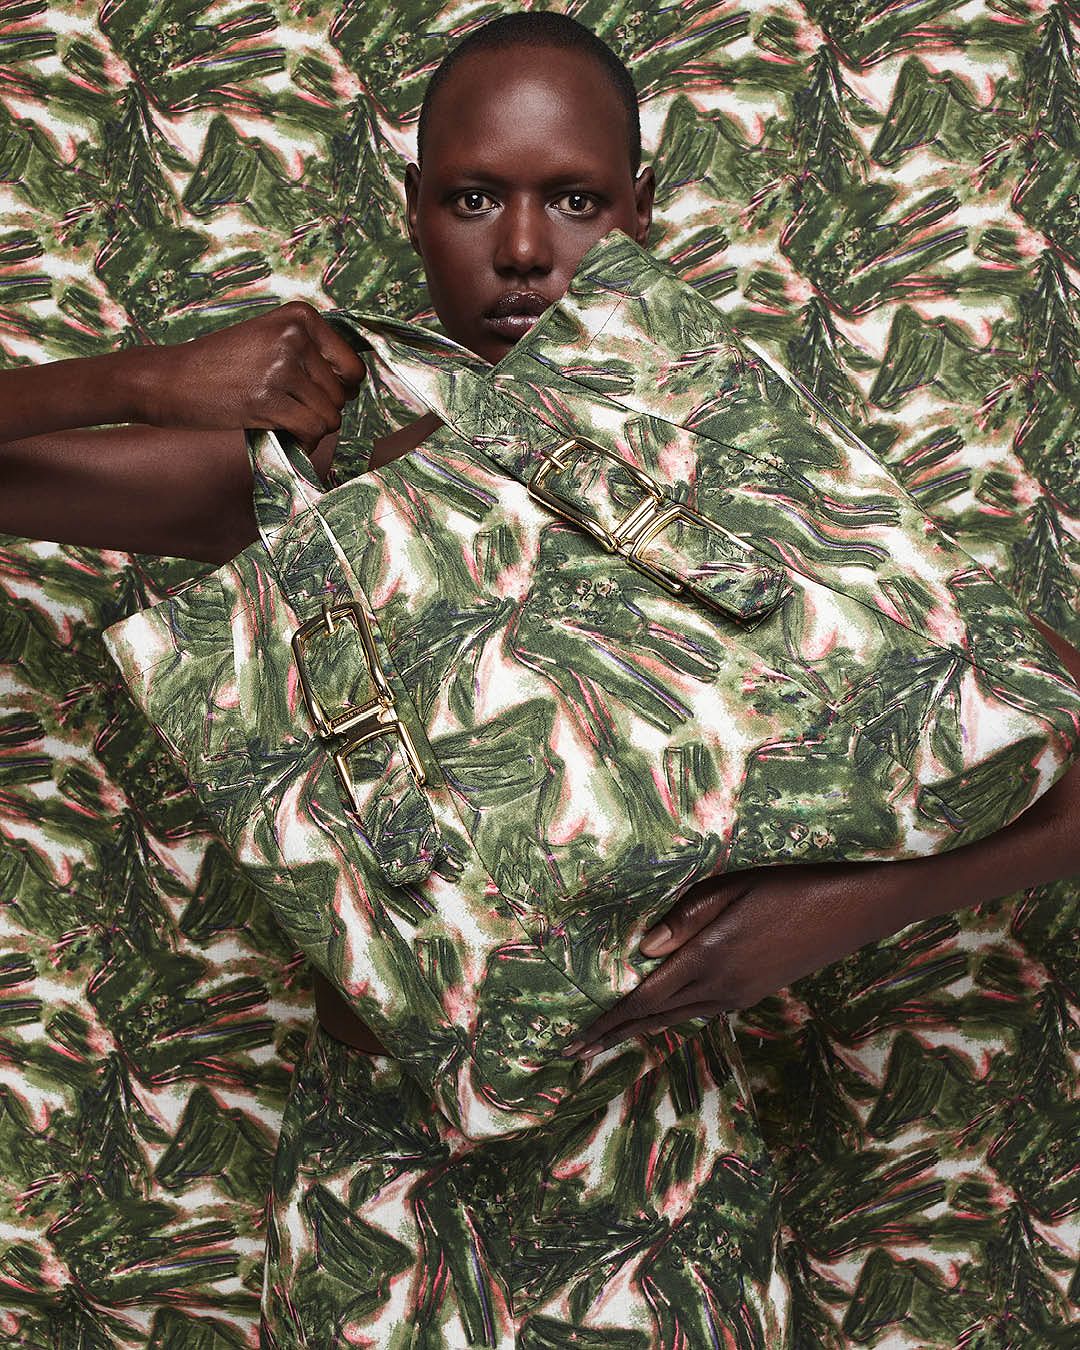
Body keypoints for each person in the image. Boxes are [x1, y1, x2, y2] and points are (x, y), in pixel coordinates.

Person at [2, 12, 1079, 1346]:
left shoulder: (729, 454)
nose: (521, 249)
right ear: (412, 209)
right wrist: (142, 377)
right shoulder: (322, 470)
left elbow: (1048, 713)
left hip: (656, 1164)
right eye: (473, 199)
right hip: (376, 1174)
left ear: (643, 209)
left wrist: (835, 913)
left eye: (575, 199)